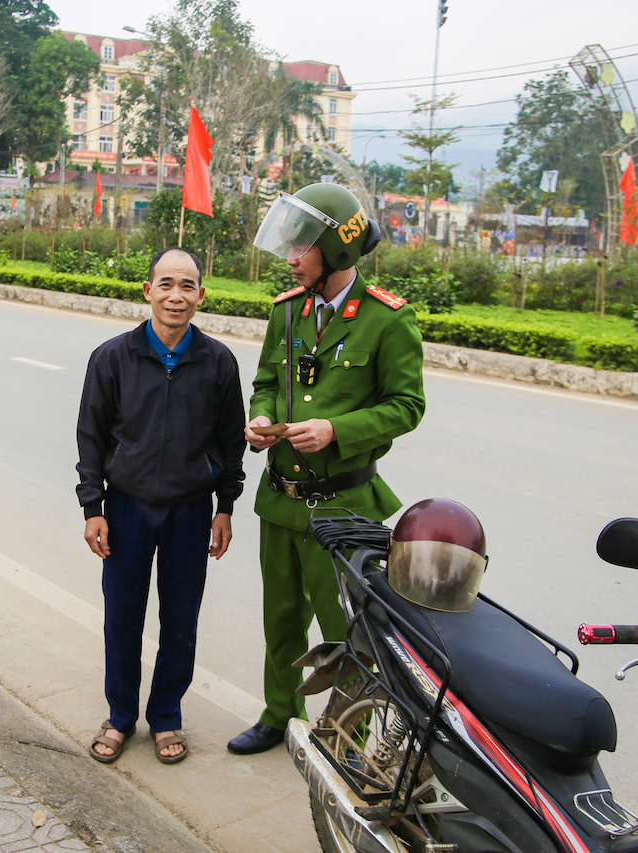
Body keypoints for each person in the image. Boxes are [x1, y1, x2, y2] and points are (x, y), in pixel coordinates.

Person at [226, 183, 425, 756]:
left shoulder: (388, 320)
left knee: (345, 633)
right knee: (281, 620)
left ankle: (348, 733)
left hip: (342, 507)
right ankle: (278, 714)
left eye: (302, 245)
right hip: (281, 500)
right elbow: (267, 379)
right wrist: (261, 415)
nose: (291, 256)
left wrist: (337, 431)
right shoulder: (287, 311)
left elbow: (406, 406)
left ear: (337, 249)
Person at [76, 247, 246, 764]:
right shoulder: (113, 357)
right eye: (166, 284)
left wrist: (225, 506)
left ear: (201, 296)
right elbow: (91, 436)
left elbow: (230, 442)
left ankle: (167, 715)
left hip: (190, 512)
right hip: (126, 508)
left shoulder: (218, 362)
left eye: (188, 286)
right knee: (122, 617)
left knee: (181, 619)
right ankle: (121, 715)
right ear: (147, 291)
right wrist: (93, 507)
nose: (177, 295)